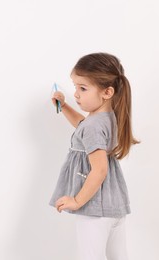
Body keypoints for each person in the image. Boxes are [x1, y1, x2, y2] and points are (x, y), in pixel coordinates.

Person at [49, 52, 139, 260]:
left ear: (107, 92)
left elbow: (99, 170)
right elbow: (83, 126)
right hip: (114, 205)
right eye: (75, 87)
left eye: (83, 88)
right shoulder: (109, 117)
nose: (76, 94)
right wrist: (63, 106)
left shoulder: (93, 126)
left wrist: (77, 200)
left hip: (94, 208)